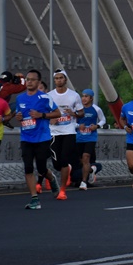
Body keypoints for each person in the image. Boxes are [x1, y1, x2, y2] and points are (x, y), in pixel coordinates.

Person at [14, 69, 61, 210]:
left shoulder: (45, 98)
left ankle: (51, 178)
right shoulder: (20, 98)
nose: (29, 82)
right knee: (28, 168)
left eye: (32, 80)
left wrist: (42, 115)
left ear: (39, 82)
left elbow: (58, 113)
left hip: (42, 138)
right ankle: (34, 199)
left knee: (41, 168)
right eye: (27, 79)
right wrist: (19, 117)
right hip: (26, 138)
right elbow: (19, 114)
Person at [46, 69, 84, 201]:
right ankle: (65, 169)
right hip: (54, 132)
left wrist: (73, 114)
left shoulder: (74, 95)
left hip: (69, 131)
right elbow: (44, 113)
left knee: (64, 159)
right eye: (56, 78)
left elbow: (81, 113)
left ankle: (62, 190)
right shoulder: (49, 95)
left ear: (65, 79)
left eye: (61, 78)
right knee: (57, 163)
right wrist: (50, 118)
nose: (58, 80)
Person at [76, 89, 105, 190]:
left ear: (91, 98)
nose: (83, 98)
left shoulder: (96, 109)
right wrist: (78, 126)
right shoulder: (78, 109)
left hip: (91, 137)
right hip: (79, 138)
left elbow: (103, 120)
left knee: (86, 157)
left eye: (86, 96)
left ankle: (84, 182)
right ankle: (91, 171)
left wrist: (97, 126)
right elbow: (72, 121)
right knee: (81, 160)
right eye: (82, 96)